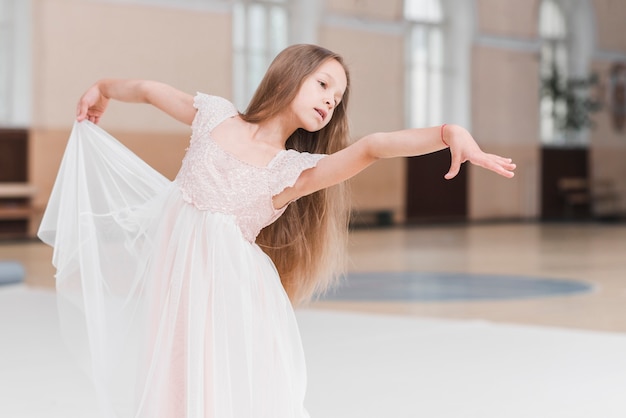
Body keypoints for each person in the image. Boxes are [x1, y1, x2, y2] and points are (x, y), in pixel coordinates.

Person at [38, 44, 515, 418]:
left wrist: (448, 132)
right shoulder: (214, 116)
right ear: (289, 74)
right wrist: (102, 88)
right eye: (324, 83)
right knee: (174, 377)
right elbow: (146, 89)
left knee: (220, 383)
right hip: (177, 284)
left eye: (338, 96)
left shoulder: (292, 170)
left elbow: (372, 147)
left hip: (229, 296)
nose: (331, 98)